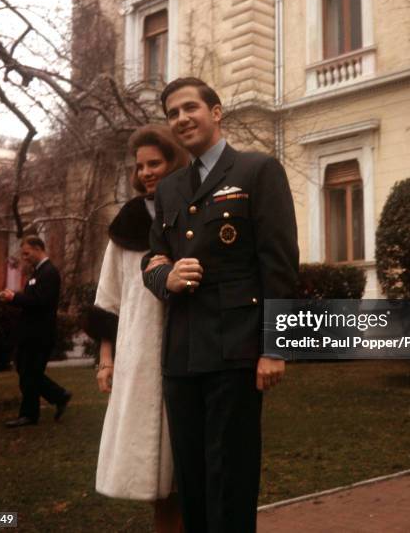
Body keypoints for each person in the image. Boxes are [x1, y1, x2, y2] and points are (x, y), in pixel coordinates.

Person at [143, 77, 299, 533]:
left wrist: (274, 347)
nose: (181, 119)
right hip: (182, 354)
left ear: (215, 112)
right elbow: (152, 261)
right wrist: (165, 277)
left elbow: (280, 265)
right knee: (190, 477)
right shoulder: (170, 189)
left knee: (230, 474)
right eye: (172, 113)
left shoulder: (257, 171)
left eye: (190, 107)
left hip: (236, 350)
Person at [88, 125, 187, 533]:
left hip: (187, 349)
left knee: (187, 469)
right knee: (155, 476)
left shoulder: (193, 214)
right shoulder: (125, 226)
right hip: (138, 357)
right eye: (141, 166)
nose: (147, 172)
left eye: (156, 163)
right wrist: (106, 362)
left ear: (174, 162)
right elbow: (108, 300)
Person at [0, 236, 71, 427]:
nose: (24, 257)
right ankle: (59, 395)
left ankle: (30, 414)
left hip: (40, 334)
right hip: (30, 333)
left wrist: (14, 297)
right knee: (27, 371)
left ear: (38, 248)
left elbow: (41, 302)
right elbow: (33, 298)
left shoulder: (49, 273)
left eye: (26, 253)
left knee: (30, 373)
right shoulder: (37, 273)